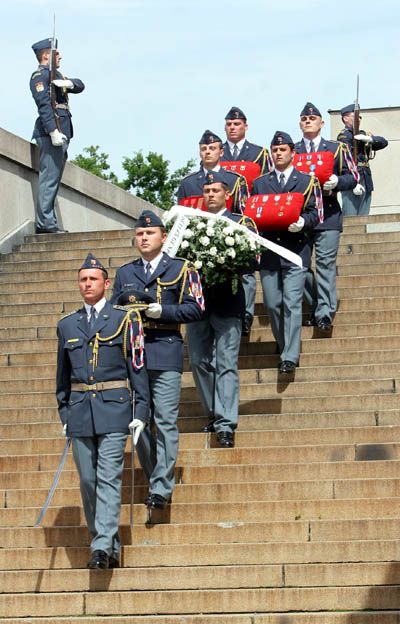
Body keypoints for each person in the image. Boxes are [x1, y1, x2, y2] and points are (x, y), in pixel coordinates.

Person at [56, 254, 150, 569]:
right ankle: (107, 544)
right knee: (87, 481)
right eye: (83, 279)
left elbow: (137, 368)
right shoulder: (67, 324)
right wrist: (64, 414)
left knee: (108, 477)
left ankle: (98, 546)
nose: (87, 284)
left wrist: (142, 410)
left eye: (93, 279)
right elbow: (62, 377)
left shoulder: (125, 320)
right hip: (81, 412)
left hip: (115, 409)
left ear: (107, 284)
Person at [111, 210, 204, 510]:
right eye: (139, 234)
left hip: (166, 350)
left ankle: (161, 487)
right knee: (138, 423)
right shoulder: (125, 273)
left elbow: (196, 308)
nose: (144, 238)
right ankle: (156, 476)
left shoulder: (182, 268)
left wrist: (162, 312)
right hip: (135, 356)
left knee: (164, 421)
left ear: (163, 237)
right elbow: (114, 313)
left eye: (149, 234)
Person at [186, 171, 257, 447]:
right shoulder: (191, 224)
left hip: (228, 302)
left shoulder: (241, 223)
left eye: (216, 190)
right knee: (199, 362)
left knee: (226, 364)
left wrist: (231, 262)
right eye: (207, 191)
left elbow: (253, 261)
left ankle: (225, 423)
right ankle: (215, 412)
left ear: (227, 194)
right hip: (197, 303)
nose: (211, 195)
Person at [251, 131, 320, 374]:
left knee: (292, 302)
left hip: (295, 250)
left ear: (293, 153)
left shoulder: (306, 181)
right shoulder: (260, 183)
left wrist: (304, 221)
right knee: (272, 304)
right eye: (275, 150)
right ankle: (284, 345)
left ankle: (290, 355)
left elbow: (316, 212)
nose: (278, 154)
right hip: (270, 251)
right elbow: (252, 214)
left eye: (283, 150)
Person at [295, 102, 357, 331]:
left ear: (321, 123)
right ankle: (315, 303)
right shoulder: (292, 151)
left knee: (325, 264)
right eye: (304, 119)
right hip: (300, 217)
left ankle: (324, 313)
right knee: (299, 267)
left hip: (328, 214)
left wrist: (338, 182)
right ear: (299, 124)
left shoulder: (336, 148)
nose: (308, 121)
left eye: (312, 118)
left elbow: (353, 177)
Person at [222, 106, 270, 336]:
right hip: (223, 219)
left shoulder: (259, 153)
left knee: (248, 269)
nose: (233, 128)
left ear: (245, 126)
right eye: (229, 124)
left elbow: (268, 185)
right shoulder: (217, 152)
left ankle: (247, 316)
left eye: (237, 124)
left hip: (249, 219)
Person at [30, 38, 85, 234]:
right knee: (49, 179)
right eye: (56, 52)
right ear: (46, 55)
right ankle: (45, 224)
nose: (60, 55)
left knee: (54, 179)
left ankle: (48, 221)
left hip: (63, 129)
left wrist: (67, 83)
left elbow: (80, 85)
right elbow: (44, 105)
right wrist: (53, 130)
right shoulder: (39, 76)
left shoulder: (58, 75)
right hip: (51, 131)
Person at [177, 130, 248, 214]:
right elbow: (180, 213)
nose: (207, 152)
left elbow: (242, 214)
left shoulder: (235, 180)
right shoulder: (188, 183)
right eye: (203, 149)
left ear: (221, 152)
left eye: (212, 148)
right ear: (200, 153)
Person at [337, 104, 388, 216]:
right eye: (355, 116)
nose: (359, 119)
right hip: (351, 178)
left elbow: (384, 142)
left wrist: (369, 139)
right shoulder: (344, 136)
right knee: (350, 215)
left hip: (366, 177)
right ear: (345, 119)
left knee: (364, 216)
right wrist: (353, 183)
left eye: (360, 117)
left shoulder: (363, 134)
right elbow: (346, 160)